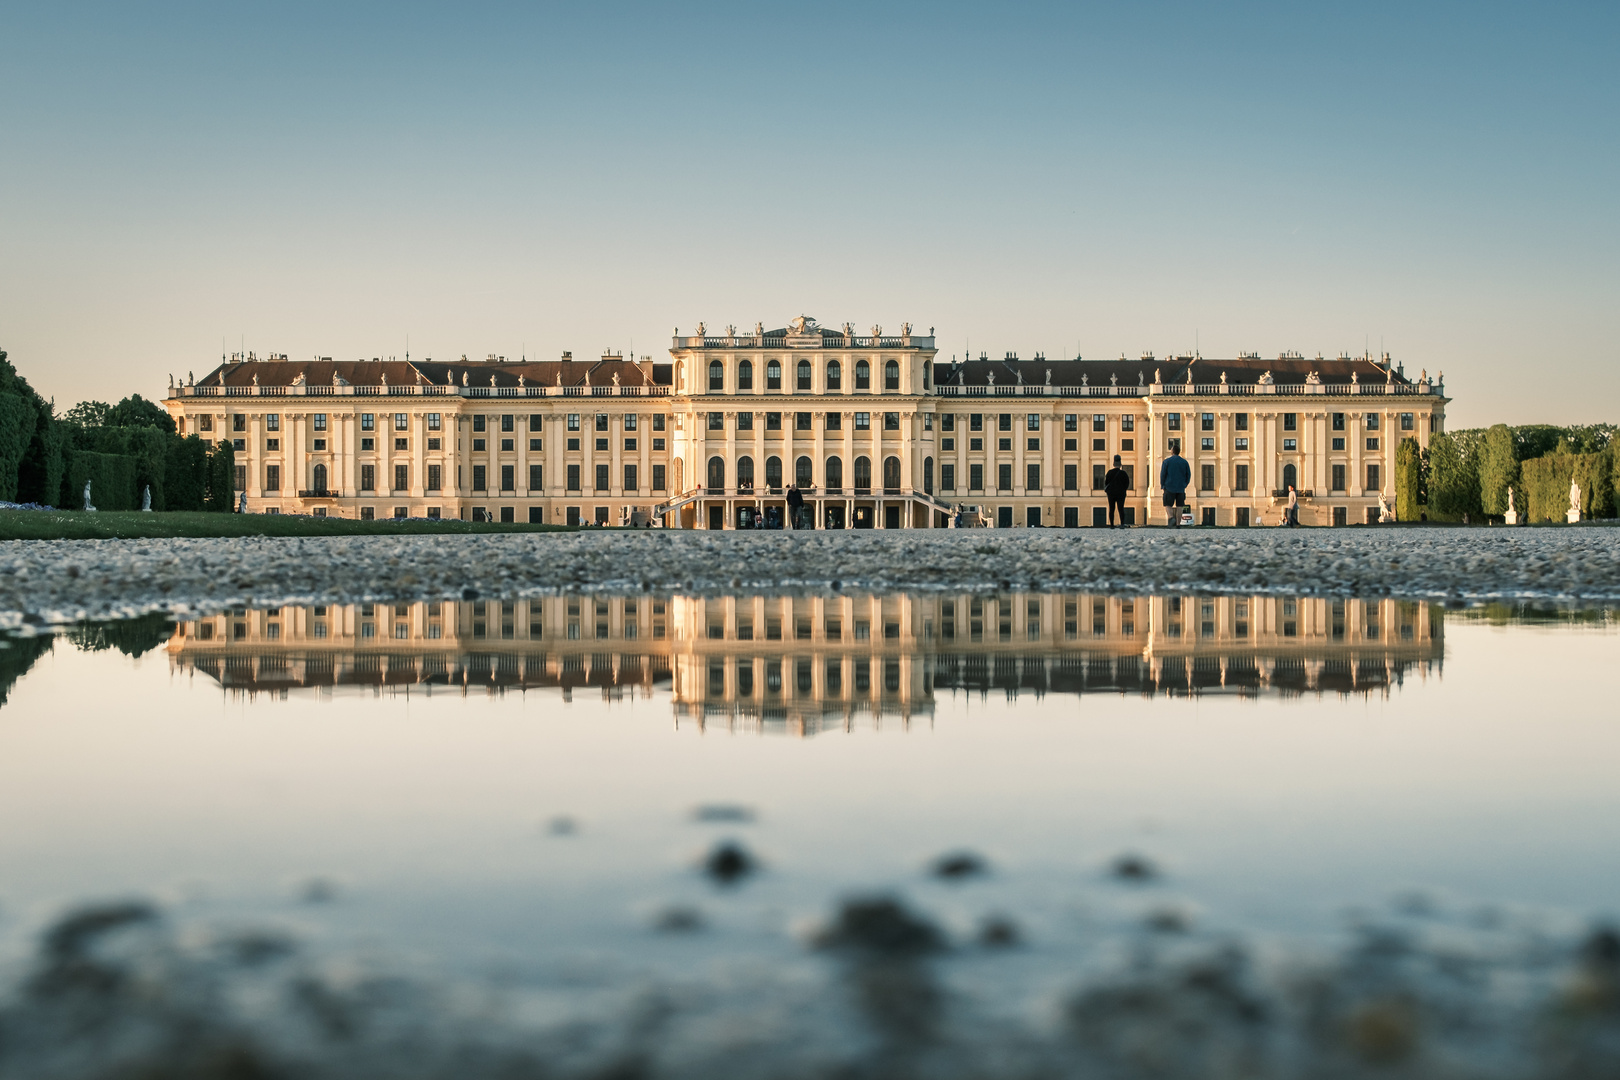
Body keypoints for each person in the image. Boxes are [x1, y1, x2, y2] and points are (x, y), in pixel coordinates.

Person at [1159, 440, 1191, 527]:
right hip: (1181, 488)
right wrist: (1185, 484)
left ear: (1172, 451)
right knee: (1180, 506)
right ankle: (1178, 524)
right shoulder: (1184, 462)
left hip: (1169, 487)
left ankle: (1171, 517)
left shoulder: (1166, 461)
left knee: (1168, 505)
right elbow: (1188, 475)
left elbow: (1163, 474)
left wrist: (1162, 485)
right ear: (1179, 452)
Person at [1103, 455, 1130, 528]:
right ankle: (1122, 524)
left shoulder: (1109, 472)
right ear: (1120, 464)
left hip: (1111, 493)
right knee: (1121, 508)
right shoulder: (1123, 473)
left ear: (1113, 464)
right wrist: (1123, 489)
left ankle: (1112, 525)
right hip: (1121, 493)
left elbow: (1106, 483)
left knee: (1111, 508)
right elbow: (1127, 483)